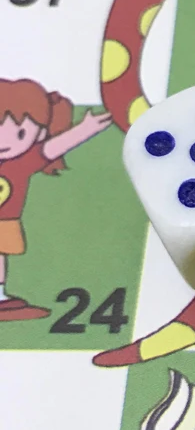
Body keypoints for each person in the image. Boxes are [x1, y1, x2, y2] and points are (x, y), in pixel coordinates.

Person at [0, 79, 111, 320]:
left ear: (40, 133)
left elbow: (52, 148)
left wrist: (85, 129)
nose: (4, 142)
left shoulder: (21, 163)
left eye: (20, 133)